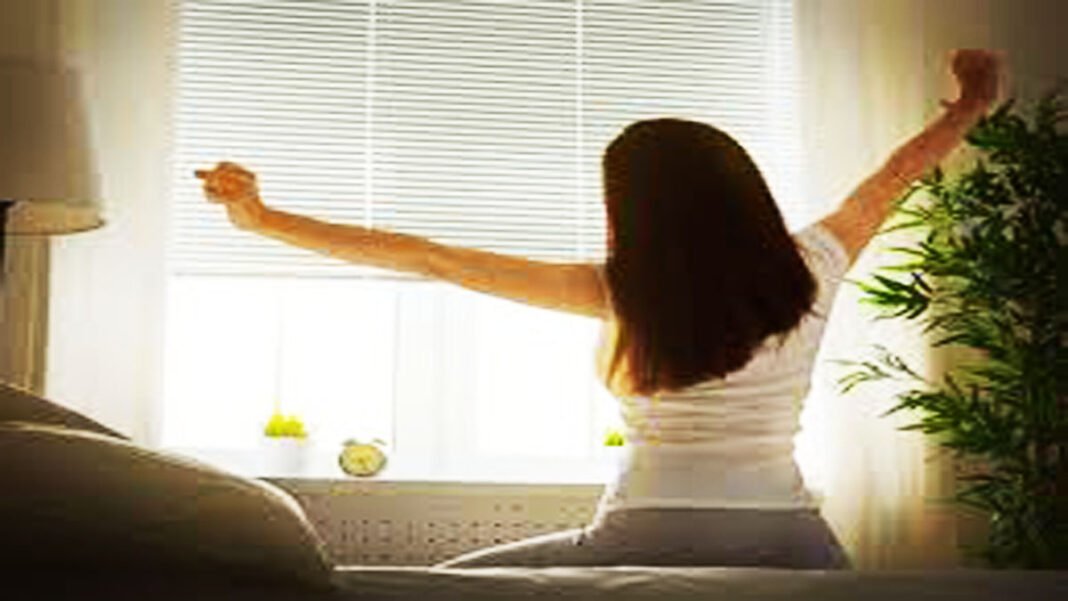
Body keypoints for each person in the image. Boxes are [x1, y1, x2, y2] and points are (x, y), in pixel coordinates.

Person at [196, 49, 1000, 569]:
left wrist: (262, 220)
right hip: (787, 534)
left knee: (440, 584)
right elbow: (895, 176)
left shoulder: (618, 290)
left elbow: (427, 256)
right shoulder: (814, 263)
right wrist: (969, 104)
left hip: (641, 527)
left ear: (634, 212)